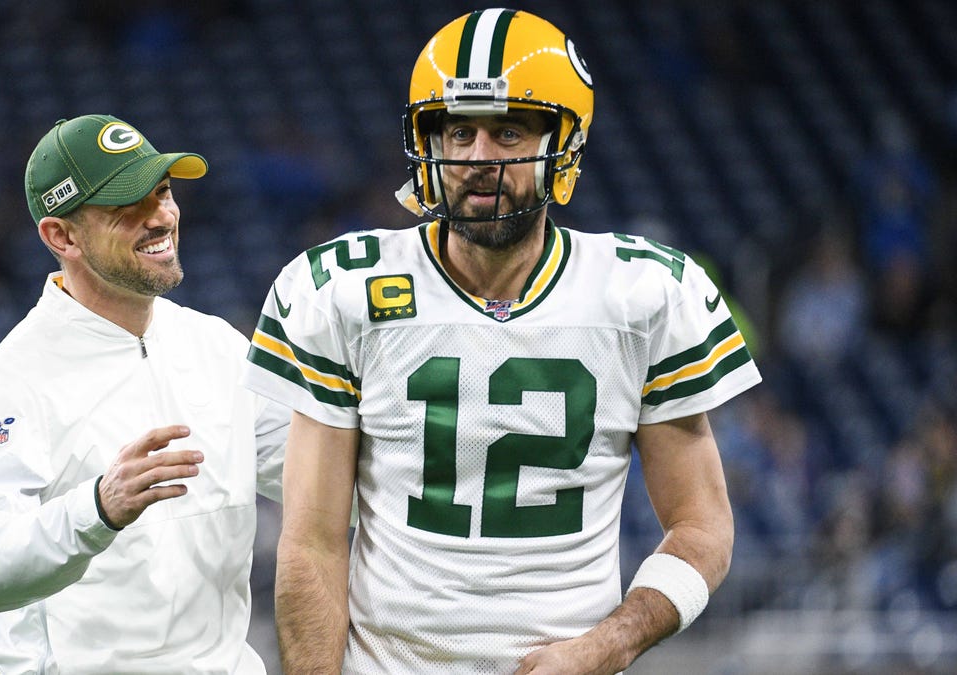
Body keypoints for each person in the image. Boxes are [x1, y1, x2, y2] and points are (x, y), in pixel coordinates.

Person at [242, 9, 761, 674]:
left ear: (562, 144)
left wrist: (608, 644)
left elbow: (703, 528)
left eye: (508, 130)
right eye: (458, 131)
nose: (478, 158)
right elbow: (311, 542)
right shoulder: (341, 289)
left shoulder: (644, 294)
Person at [0, 114, 288, 674]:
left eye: (164, 191)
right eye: (127, 206)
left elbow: (324, 481)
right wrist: (97, 507)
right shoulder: (13, 379)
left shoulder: (217, 347)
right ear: (61, 235)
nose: (161, 218)